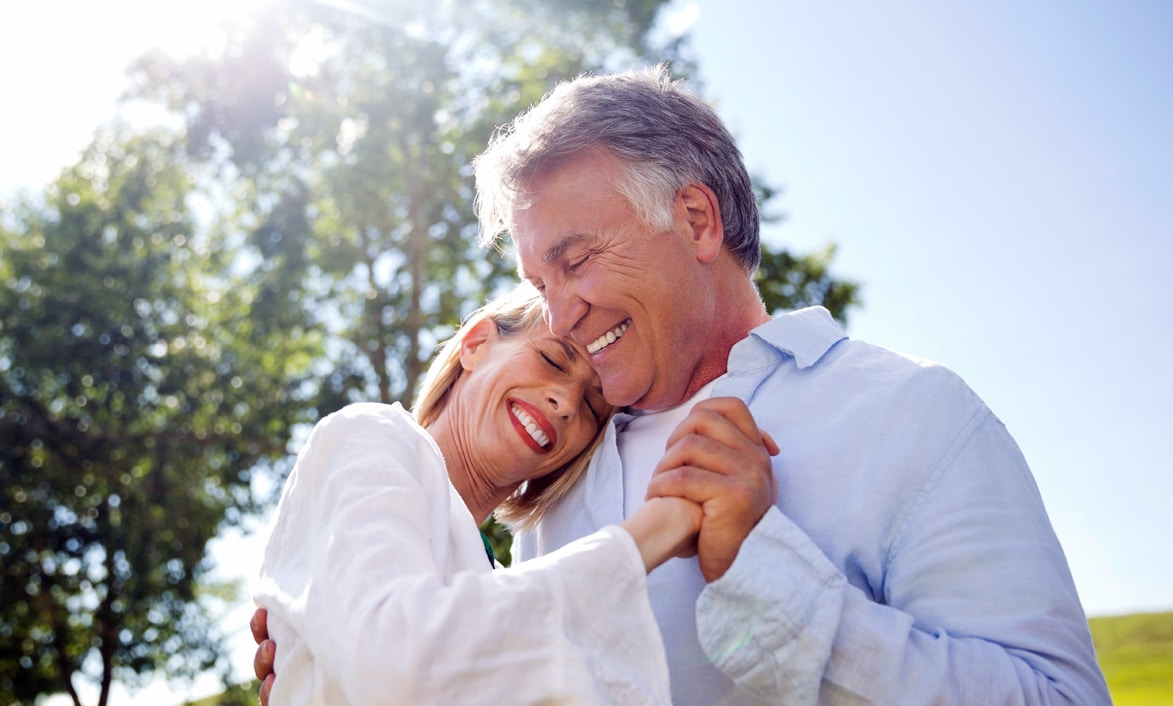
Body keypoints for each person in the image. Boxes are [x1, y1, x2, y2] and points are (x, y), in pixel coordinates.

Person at [256, 67, 1111, 704]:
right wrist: (323, 655)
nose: (558, 317)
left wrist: (768, 577)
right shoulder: (556, 491)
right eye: (539, 283)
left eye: (576, 260)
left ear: (695, 220)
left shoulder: (911, 415)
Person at [250, 282, 772, 705]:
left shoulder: (494, 581)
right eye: (552, 360)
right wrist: (657, 529)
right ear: (476, 344)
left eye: (593, 407)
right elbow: (393, 659)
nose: (567, 403)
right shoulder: (371, 433)